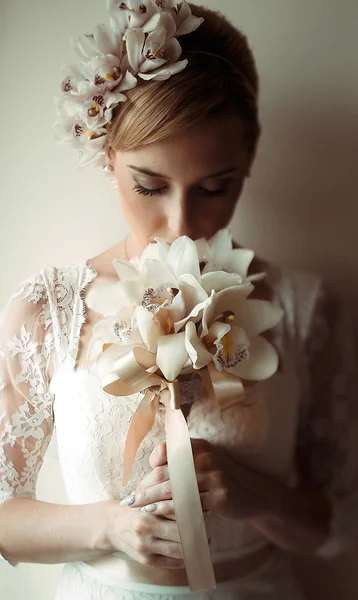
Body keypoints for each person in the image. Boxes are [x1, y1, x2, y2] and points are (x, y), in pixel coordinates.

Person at [0, 1, 357, 599]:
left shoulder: (303, 310)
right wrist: (108, 527)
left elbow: (339, 525)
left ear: (248, 164)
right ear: (107, 154)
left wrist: (255, 497)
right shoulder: (50, 311)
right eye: (149, 186)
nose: (182, 225)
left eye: (216, 188)